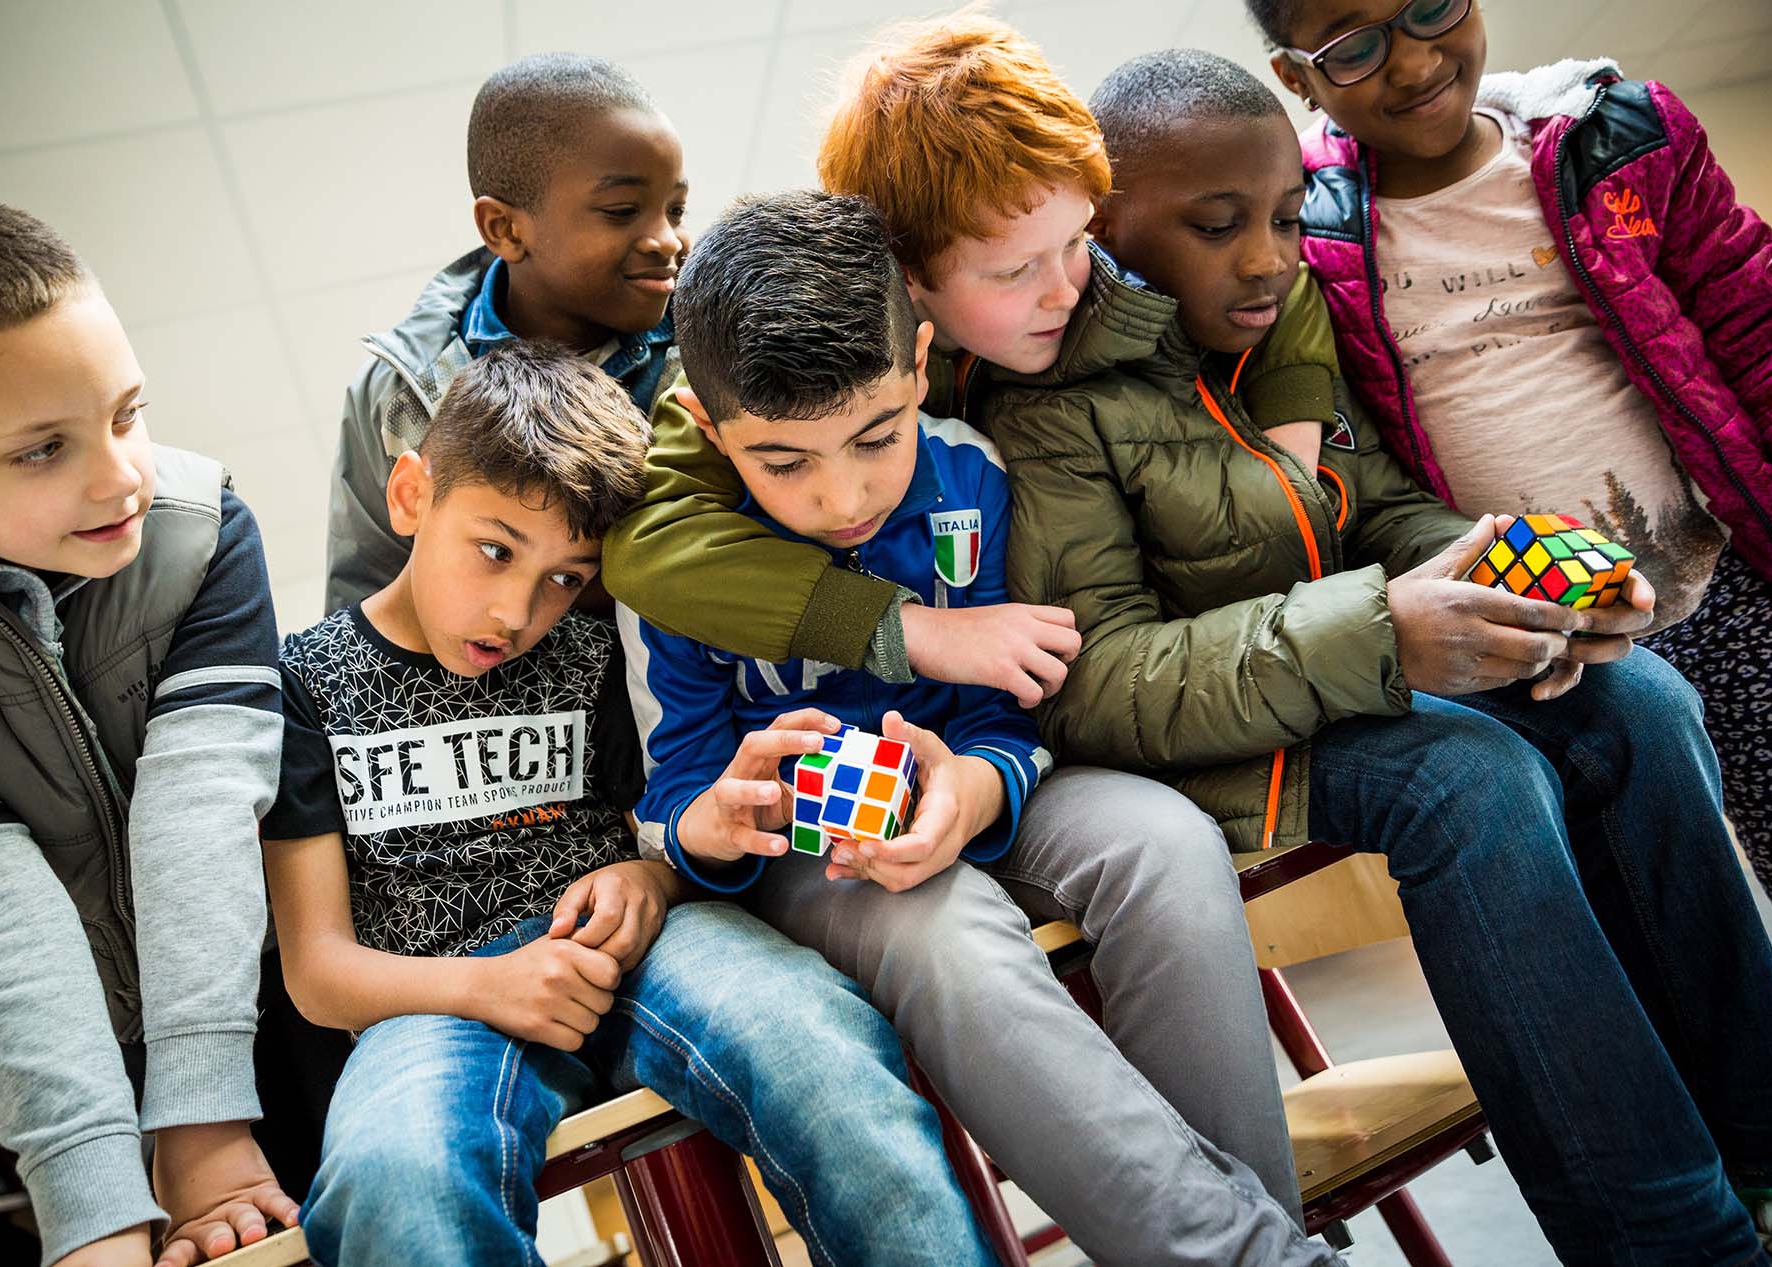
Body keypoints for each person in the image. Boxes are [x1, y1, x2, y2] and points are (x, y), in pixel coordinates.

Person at [987, 47, 1772, 1267]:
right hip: (1187, 745)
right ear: (1102, 228)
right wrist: (1381, 628)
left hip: (1332, 670)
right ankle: (1669, 1238)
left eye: (1277, 215)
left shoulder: (1278, 325)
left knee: (1637, 697)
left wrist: (1510, 572)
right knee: (1467, 781)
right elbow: (1103, 680)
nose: (1266, 256)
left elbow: (1377, 513)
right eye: (1216, 227)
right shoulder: (1049, 403)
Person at [623, 188, 1343, 1267]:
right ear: (712, 430)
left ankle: (1252, 1243)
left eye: (877, 435)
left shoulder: (974, 474)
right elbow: (674, 793)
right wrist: (711, 826)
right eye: (783, 463)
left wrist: (973, 782)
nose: (842, 496)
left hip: (989, 784)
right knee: (945, 931)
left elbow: (1015, 713)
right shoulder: (679, 561)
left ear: (918, 365)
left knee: (1161, 839)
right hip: (815, 857)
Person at [263, 339, 998, 1266]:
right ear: (412, 496)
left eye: (564, 577)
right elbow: (318, 970)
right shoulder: (303, 684)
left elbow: (667, 828)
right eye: (493, 551)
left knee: (819, 1049)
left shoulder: (596, 649)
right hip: (434, 997)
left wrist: (651, 879)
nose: (515, 610)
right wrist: (486, 984)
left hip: (651, 951)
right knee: (392, 1175)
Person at [1250, 0, 1772, 945]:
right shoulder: (1306, 229)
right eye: (1355, 48)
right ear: (1296, 81)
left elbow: (1767, 330)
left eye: (1430, 8)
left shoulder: (1617, 141)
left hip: (1728, 596)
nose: (1415, 60)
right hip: (1540, 660)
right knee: (1655, 934)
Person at [599, 13, 1341, 707]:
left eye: (1077, 241)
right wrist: (908, 629)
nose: (1065, 291)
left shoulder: (1062, 245)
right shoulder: (784, 359)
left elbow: (1278, 273)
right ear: (906, 269)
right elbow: (650, 548)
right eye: (1013, 272)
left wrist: (1291, 437)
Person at [0, 188, 295, 1267]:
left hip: (267, 1020)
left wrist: (207, 1124)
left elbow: (199, 815)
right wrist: (93, 1213)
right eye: (42, 450)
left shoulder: (201, 530)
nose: (120, 475)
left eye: (127, 412)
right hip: (61, 1080)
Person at [325, 52, 685, 612]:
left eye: (676, 209)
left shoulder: (708, 359)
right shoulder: (399, 390)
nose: (667, 240)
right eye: (622, 211)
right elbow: (364, 602)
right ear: (505, 228)